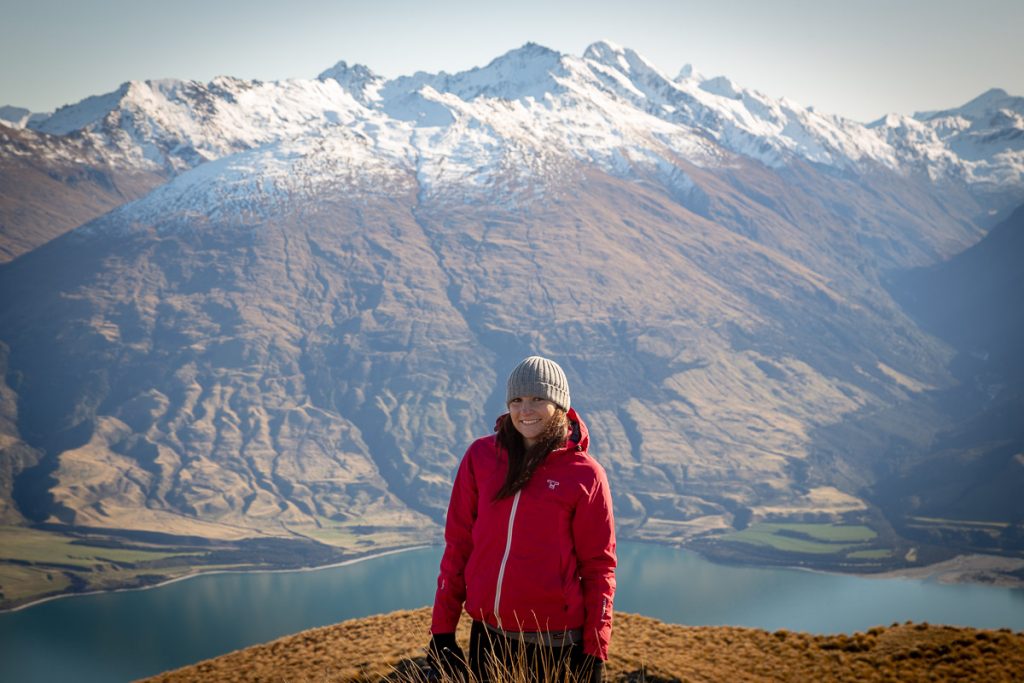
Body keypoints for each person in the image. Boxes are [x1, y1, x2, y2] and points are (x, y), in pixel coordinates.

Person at [427, 356, 616, 682]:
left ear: (559, 405)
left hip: (554, 645)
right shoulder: (481, 458)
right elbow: (458, 545)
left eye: (537, 399)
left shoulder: (586, 475)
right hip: (488, 637)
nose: (525, 409)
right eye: (517, 400)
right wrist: (442, 630)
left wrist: (595, 652)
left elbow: (600, 568)